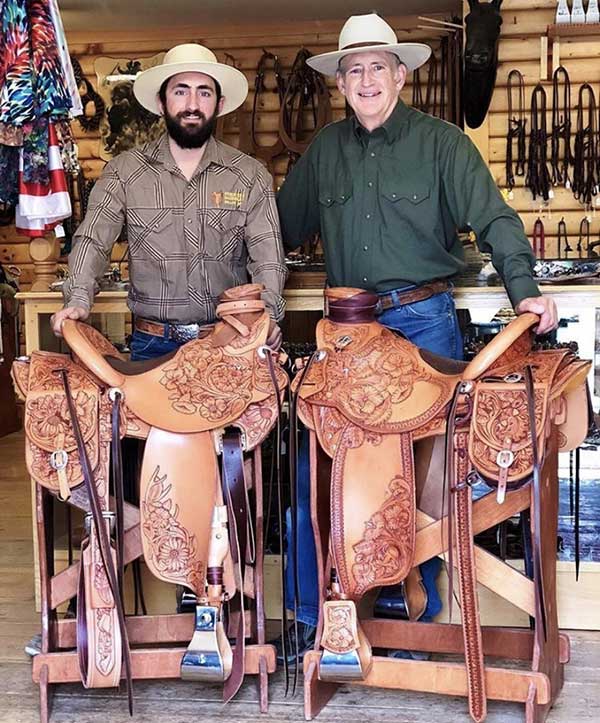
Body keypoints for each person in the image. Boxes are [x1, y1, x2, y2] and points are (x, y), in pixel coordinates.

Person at [276, 12, 558, 659]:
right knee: (316, 464)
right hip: (348, 331)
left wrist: (525, 292)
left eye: (378, 66)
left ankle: (416, 614)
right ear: (340, 83)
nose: (367, 78)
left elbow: (495, 218)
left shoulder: (443, 146)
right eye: (355, 69)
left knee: (425, 476)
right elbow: (276, 231)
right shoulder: (323, 154)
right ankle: (306, 615)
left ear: (401, 74)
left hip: (424, 321)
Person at [51, 43, 287, 355]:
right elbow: (93, 239)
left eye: (204, 92)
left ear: (220, 103)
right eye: (180, 91)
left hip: (231, 339)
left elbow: (267, 256)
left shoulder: (249, 174)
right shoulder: (124, 171)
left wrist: (267, 314)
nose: (192, 104)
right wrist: (78, 299)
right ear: (162, 102)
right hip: (152, 343)